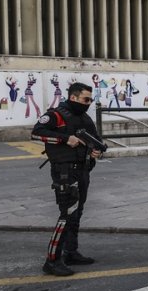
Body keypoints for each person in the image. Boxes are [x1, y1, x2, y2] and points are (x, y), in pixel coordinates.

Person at [31, 82, 103, 276]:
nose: (88, 103)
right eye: (85, 99)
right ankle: (52, 260)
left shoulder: (85, 117)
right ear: (73, 97)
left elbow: (95, 140)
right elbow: (36, 134)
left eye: (90, 99)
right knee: (67, 214)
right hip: (64, 171)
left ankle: (70, 252)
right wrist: (65, 139)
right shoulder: (56, 115)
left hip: (83, 170)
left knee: (77, 213)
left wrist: (96, 151)